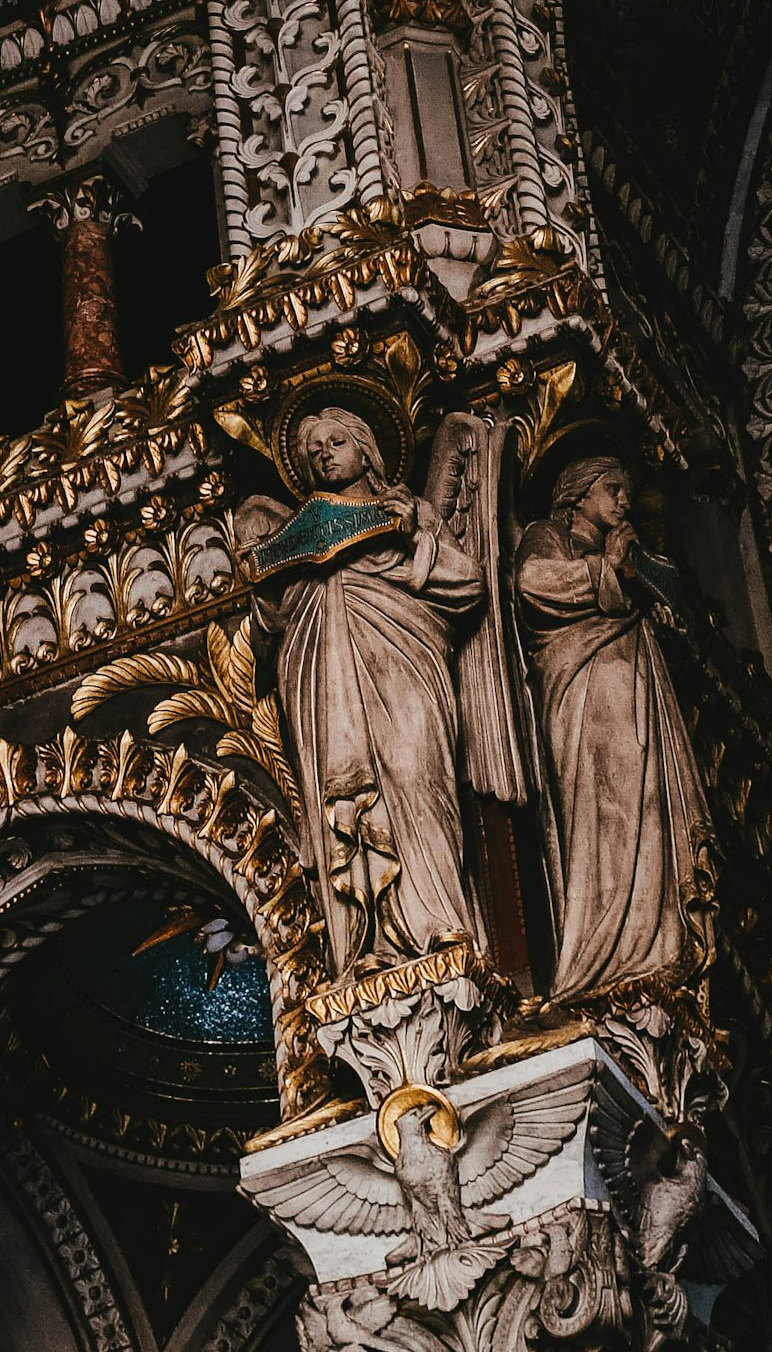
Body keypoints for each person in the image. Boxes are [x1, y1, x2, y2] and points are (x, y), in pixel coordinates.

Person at [259, 397, 484, 978]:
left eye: (335, 443)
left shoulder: (407, 514)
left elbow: (469, 585)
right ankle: (371, 943)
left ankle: (438, 925)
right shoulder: (300, 538)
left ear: (366, 449)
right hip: (325, 683)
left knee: (413, 771)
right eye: (313, 454)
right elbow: (277, 621)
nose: (324, 458)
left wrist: (414, 539)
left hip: (405, 661)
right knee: (344, 798)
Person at [516, 458, 709, 994]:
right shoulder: (546, 535)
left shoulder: (629, 552)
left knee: (644, 806)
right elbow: (532, 583)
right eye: (613, 488)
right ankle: (604, 950)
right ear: (577, 494)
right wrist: (607, 569)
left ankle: (653, 944)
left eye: (628, 491)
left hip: (633, 692)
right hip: (580, 693)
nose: (624, 501)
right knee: (600, 812)